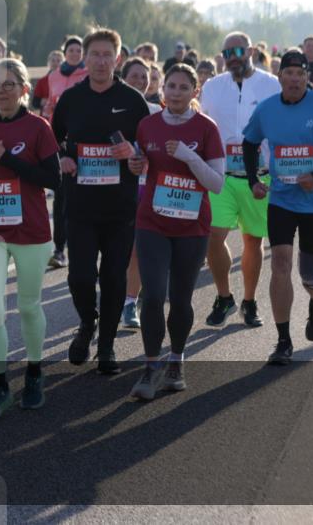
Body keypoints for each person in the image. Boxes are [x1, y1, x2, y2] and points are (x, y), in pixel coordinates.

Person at [241, 49, 313, 366]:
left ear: (307, 78)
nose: (294, 79)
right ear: (280, 78)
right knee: (279, 261)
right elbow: (249, 144)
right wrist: (253, 181)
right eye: (288, 74)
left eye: (299, 74)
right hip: (281, 199)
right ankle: (283, 341)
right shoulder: (266, 110)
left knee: (307, 273)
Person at [52, 28, 150, 374]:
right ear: (85, 58)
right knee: (79, 277)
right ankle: (87, 322)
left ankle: (106, 346)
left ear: (118, 59)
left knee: (113, 278)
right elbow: (55, 140)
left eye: (108, 54)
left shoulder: (134, 101)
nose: (101, 61)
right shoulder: (71, 99)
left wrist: (136, 155)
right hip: (80, 205)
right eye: (95, 54)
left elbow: (147, 153)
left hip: (120, 208)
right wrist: (62, 158)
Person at [0, 58, 61, 417]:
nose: (1, 91)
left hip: (31, 232)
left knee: (27, 306)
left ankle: (35, 374)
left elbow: (54, 180)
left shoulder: (39, 128)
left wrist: (9, 160)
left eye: (9, 84)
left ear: (24, 89)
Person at [127, 63, 225, 400]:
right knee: (153, 296)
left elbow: (216, 183)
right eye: (171, 86)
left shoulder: (207, 129)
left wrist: (189, 157)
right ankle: (151, 366)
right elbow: (140, 165)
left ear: (195, 92)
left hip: (192, 226)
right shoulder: (148, 125)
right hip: (152, 221)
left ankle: (177, 360)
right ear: (163, 89)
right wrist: (135, 165)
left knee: (180, 299)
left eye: (184, 88)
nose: (177, 93)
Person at [199, 32, 281, 328]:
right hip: (221, 176)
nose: (233, 56)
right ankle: (224, 297)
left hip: (258, 176)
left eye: (238, 50)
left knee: (252, 239)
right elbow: (200, 123)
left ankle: (249, 300)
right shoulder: (211, 86)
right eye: (227, 51)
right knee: (213, 237)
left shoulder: (271, 84)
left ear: (250, 51)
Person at [118, 57, 162, 328]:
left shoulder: (158, 110)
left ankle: (130, 302)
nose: (140, 81)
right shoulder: (113, 109)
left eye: (144, 77)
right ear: (123, 78)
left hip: (150, 187)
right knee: (119, 249)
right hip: (118, 187)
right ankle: (123, 295)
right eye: (134, 76)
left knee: (139, 248)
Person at [46, 35, 89, 268]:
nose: (74, 53)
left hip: (82, 142)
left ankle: (81, 247)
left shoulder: (87, 75)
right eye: (71, 50)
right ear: (65, 52)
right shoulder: (53, 76)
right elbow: (49, 102)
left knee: (81, 197)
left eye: (78, 50)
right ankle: (59, 249)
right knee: (60, 197)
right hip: (58, 140)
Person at [32, 49, 64, 114]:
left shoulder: (67, 80)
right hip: (46, 117)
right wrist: (43, 101)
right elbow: (35, 103)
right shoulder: (42, 81)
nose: (55, 63)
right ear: (48, 63)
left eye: (58, 61)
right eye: (53, 60)